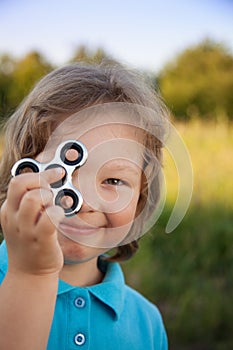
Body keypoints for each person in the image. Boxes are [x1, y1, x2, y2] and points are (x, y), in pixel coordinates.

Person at [0, 62, 168, 349]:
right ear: (23, 174)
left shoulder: (147, 323)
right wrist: (29, 275)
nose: (84, 203)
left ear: (140, 199)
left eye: (113, 181)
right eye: (64, 171)